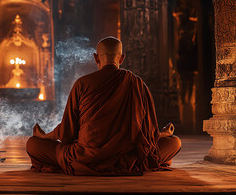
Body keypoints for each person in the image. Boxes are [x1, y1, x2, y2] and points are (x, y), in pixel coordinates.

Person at [26, 36, 181, 176]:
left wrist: (44, 137)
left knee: (33, 144)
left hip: (85, 158)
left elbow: (67, 134)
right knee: (174, 143)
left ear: (95, 58)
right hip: (129, 159)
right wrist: (161, 134)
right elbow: (147, 134)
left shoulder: (82, 83)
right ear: (122, 59)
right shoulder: (137, 83)